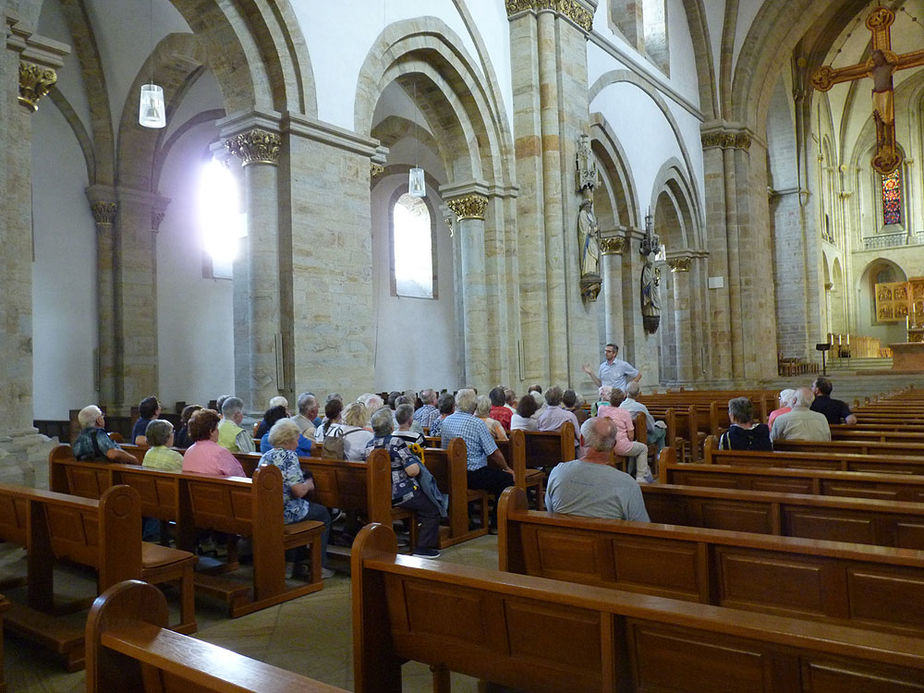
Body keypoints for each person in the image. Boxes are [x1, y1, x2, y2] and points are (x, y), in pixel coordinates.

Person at [258, 419, 334, 579]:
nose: (297, 442)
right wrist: (309, 484)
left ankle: (291, 564)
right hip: (288, 511)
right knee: (323, 514)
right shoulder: (289, 456)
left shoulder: (266, 456)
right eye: (296, 439)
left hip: (271, 510)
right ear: (287, 440)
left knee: (305, 515)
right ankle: (320, 566)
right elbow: (298, 491)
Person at [363, 408, 443, 558]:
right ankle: (423, 548)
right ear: (391, 427)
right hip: (401, 492)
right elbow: (413, 471)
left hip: (379, 492)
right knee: (432, 508)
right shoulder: (396, 442)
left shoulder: (369, 445)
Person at [545, 417, 650, 521]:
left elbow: (550, 511)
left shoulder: (558, 472)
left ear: (581, 440)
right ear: (613, 445)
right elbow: (643, 527)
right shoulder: (628, 484)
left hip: (560, 536)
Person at [441, 388, 514, 529]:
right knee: (506, 479)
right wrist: (507, 468)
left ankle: (467, 518)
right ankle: (496, 524)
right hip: (473, 474)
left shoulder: (446, 421)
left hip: (452, 471)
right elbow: (493, 452)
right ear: (474, 406)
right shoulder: (477, 423)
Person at [597, 389, 654, 483]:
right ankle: (641, 476)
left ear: (610, 399)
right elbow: (631, 435)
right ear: (622, 400)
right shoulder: (624, 413)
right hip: (620, 446)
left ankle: (628, 473)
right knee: (643, 448)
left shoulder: (601, 409)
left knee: (633, 447)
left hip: (605, 445)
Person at [182, 408, 246, 476]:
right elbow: (239, 476)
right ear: (211, 431)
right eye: (216, 428)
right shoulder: (220, 452)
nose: (218, 431)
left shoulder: (189, 451)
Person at [72, 405, 138, 463]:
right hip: (106, 473)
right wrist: (134, 459)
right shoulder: (98, 434)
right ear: (99, 420)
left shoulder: (78, 439)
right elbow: (113, 454)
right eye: (102, 416)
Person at [620, 382, 666, 454]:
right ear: (638, 394)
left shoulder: (621, 406)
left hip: (627, 437)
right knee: (661, 430)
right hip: (641, 438)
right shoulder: (640, 407)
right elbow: (651, 427)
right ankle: (660, 456)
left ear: (626, 392)